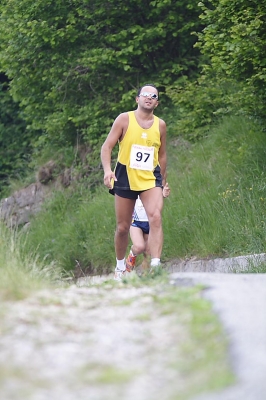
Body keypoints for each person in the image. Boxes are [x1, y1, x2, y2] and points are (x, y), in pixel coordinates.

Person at [100, 83, 168, 281]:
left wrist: (163, 181)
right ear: (137, 99)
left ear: (157, 103)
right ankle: (120, 266)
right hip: (125, 175)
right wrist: (107, 171)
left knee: (155, 216)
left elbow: (162, 155)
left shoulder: (160, 125)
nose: (149, 97)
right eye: (145, 94)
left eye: (153, 96)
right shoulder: (124, 119)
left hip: (150, 177)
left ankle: (155, 264)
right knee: (122, 227)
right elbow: (107, 147)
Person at [125, 183, 171, 274]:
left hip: (150, 222)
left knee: (149, 252)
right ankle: (132, 254)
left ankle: (147, 275)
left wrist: (163, 194)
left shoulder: (152, 180)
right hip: (136, 222)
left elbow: (157, 197)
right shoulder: (132, 180)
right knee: (139, 247)